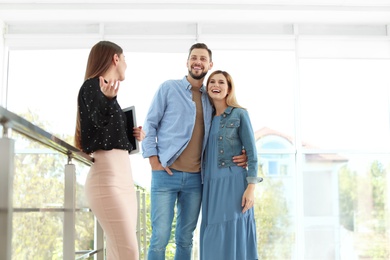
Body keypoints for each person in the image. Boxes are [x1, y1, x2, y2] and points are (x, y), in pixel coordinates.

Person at [142, 43, 247, 260]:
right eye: (194, 58)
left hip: (196, 180)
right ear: (187, 62)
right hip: (165, 175)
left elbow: (225, 130)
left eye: (202, 59)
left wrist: (242, 152)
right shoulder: (168, 88)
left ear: (210, 64)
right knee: (160, 237)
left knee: (185, 238)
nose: (197, 62)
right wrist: (153, 159)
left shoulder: (211, 97)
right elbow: (150, 124)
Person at [74, 40, 144, 260]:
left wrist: (131, 135)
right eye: (124, 59)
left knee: (119, 252)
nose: (126, 65)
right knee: (129, 252)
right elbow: (96, 117)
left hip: (123, 181)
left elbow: (103, 132)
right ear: (116, 58)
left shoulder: (107, 94)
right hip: (107, 182)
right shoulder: (92, 86)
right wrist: (107, 99)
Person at [200, 70, 263, 260]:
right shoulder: (204, 117)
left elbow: (252, 153)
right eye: (212, 82)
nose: (216, 85)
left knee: (234, 229)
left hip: (233, 182)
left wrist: (251, 188)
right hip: (210, 184)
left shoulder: (240, 114)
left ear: (228, 89)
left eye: (221, 82)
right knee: (212, 236)